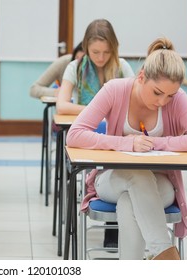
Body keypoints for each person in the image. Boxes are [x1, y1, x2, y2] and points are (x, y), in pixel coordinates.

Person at [66, 37, 187, 259]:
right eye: (157, 92)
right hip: (112, 179)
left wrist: (156, 142)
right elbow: (75, 135)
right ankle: (165, 255)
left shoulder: (177, 99)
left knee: (130, 203)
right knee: (137, 177)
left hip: (161, 185)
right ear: (141, 77)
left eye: (169, 96)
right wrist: (126, 142)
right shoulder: (115, 90)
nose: (163, 102)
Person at [57, 19, 135, 248]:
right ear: (86, 47)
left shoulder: (122, 67)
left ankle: (115, 230)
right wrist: (98, 112)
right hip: (88, 136)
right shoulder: (76, 67)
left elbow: (135, 103)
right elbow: (62, 105)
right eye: (95, 52)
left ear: (114, 48)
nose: (100, 57)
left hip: (118, 137)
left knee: (124, 174)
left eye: (106, 52)